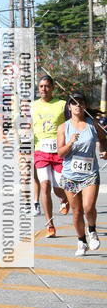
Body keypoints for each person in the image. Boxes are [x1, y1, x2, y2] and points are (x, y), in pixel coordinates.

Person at [57, 92, 107, 257]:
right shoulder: (63, 127)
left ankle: (92, 230)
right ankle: (81, 241)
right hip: (70, 175)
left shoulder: (92, 124)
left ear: (84, 106)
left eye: (80, 102)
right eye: (74, 103)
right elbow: (60, 154)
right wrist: (70, 142)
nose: (78, 105)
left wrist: (104, 151)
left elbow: (103, 138)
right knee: (77, 211)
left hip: (90, 173)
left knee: (88, 206)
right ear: (69, 107)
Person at [33, 75, 69, 237]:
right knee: (45, 185)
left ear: (53, 88)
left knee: (58, 189)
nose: (43, 89)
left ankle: (64, 199)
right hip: (40, 152)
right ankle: (50, 225)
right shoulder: (32, 106)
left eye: (47, 86)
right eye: (41, 86)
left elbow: (72, 122)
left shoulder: (61, 105)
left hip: (59, 152)